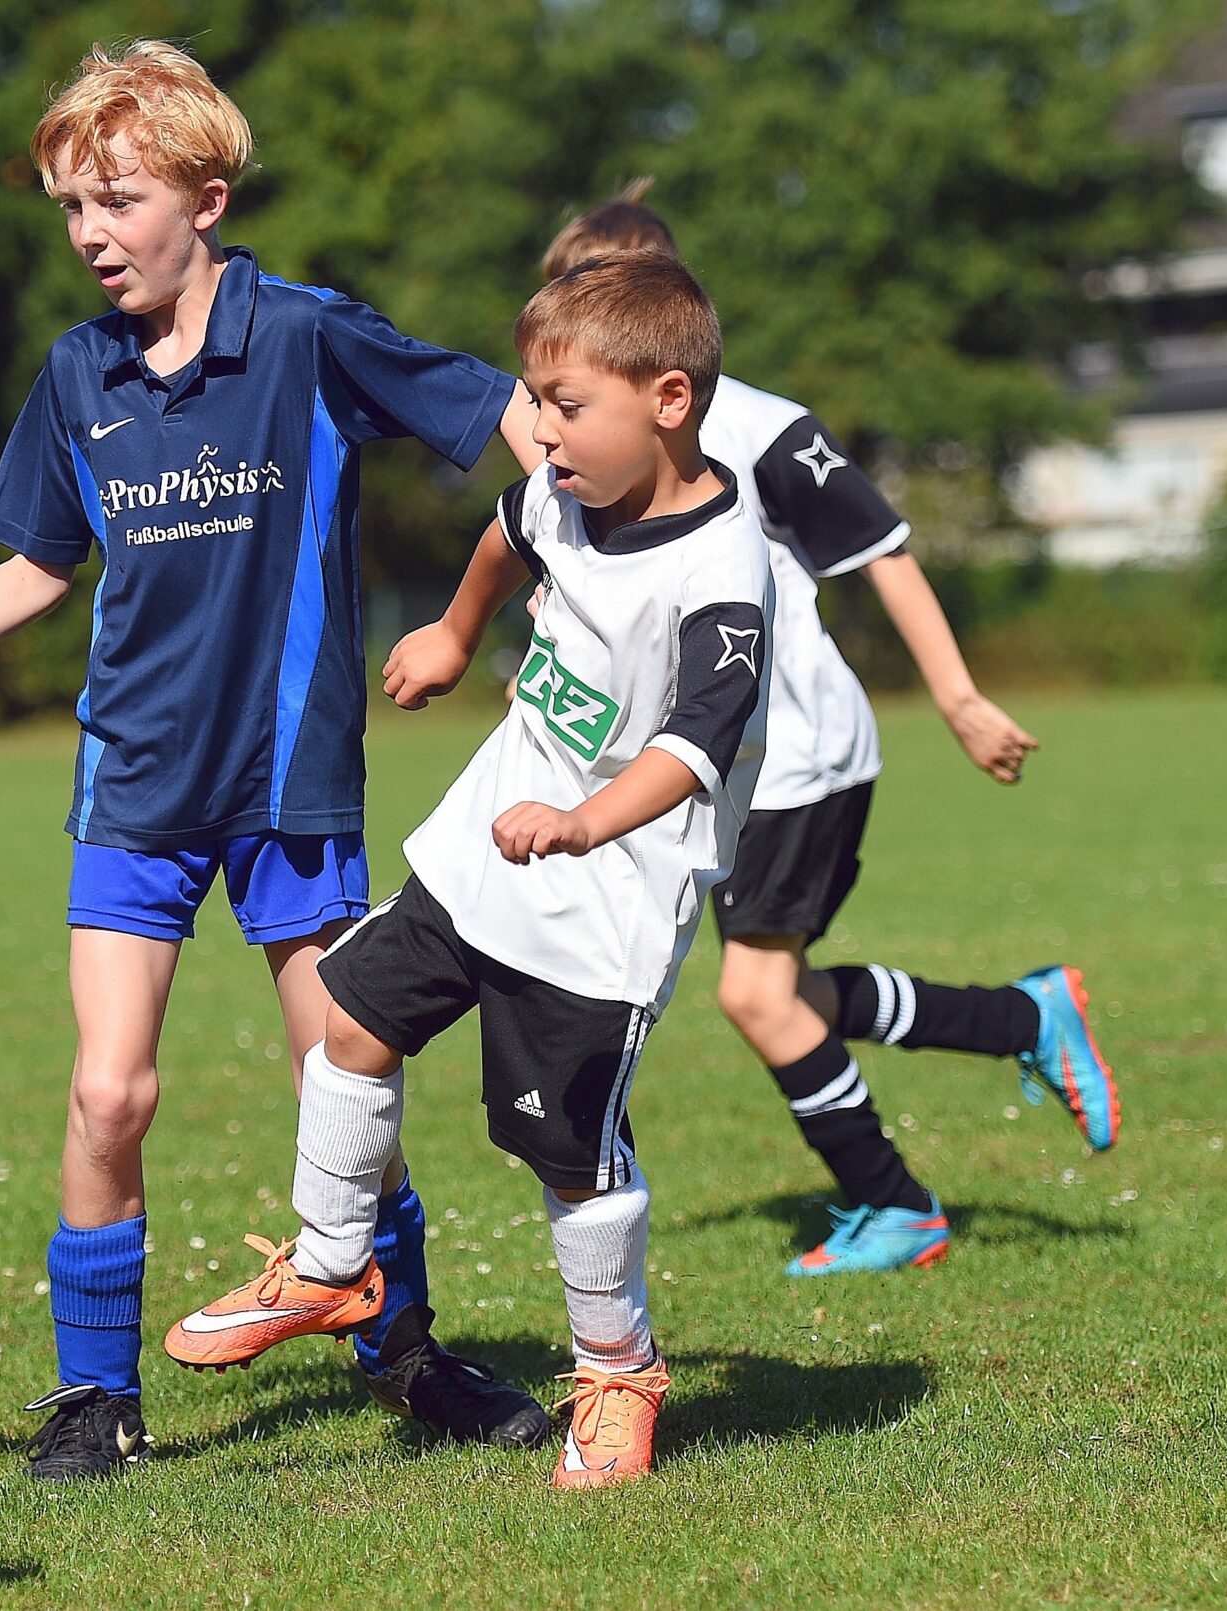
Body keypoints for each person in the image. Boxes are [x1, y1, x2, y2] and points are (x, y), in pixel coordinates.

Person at [0, 41, 546, 1479]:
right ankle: (92, 1399)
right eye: (72, 208)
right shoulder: (78, 374)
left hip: (289, 783)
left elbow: (510, 415)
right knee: (107, 1089)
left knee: (344, 1077)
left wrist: (566, 552)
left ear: (204, 195)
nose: (91, 235)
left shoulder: (309, 335)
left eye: (116, 200)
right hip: (133, 780)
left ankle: (405, 1349)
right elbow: (37, 565)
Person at [168, 250, 773, 1490]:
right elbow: (508, 537)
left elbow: (697, 740)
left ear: (669, 400)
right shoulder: (558, 491)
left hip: (602, 902)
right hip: (479, 848)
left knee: (564, 1156)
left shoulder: (720, 568)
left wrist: (585, 821)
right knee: (348, 1017)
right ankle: (335, 1263)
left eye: (566, 406)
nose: (538, 434)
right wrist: (452, 630)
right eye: (535, 403)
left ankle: (616, 1377)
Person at [528, 185, 1117, 1277]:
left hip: (793, 753)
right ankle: (1020, 1019)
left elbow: (880, 548)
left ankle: (897, 1207)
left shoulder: (758, 428)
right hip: (698, 763)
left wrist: (957, 698)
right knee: (774, 988)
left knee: (755, 993)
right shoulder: (568, 441)